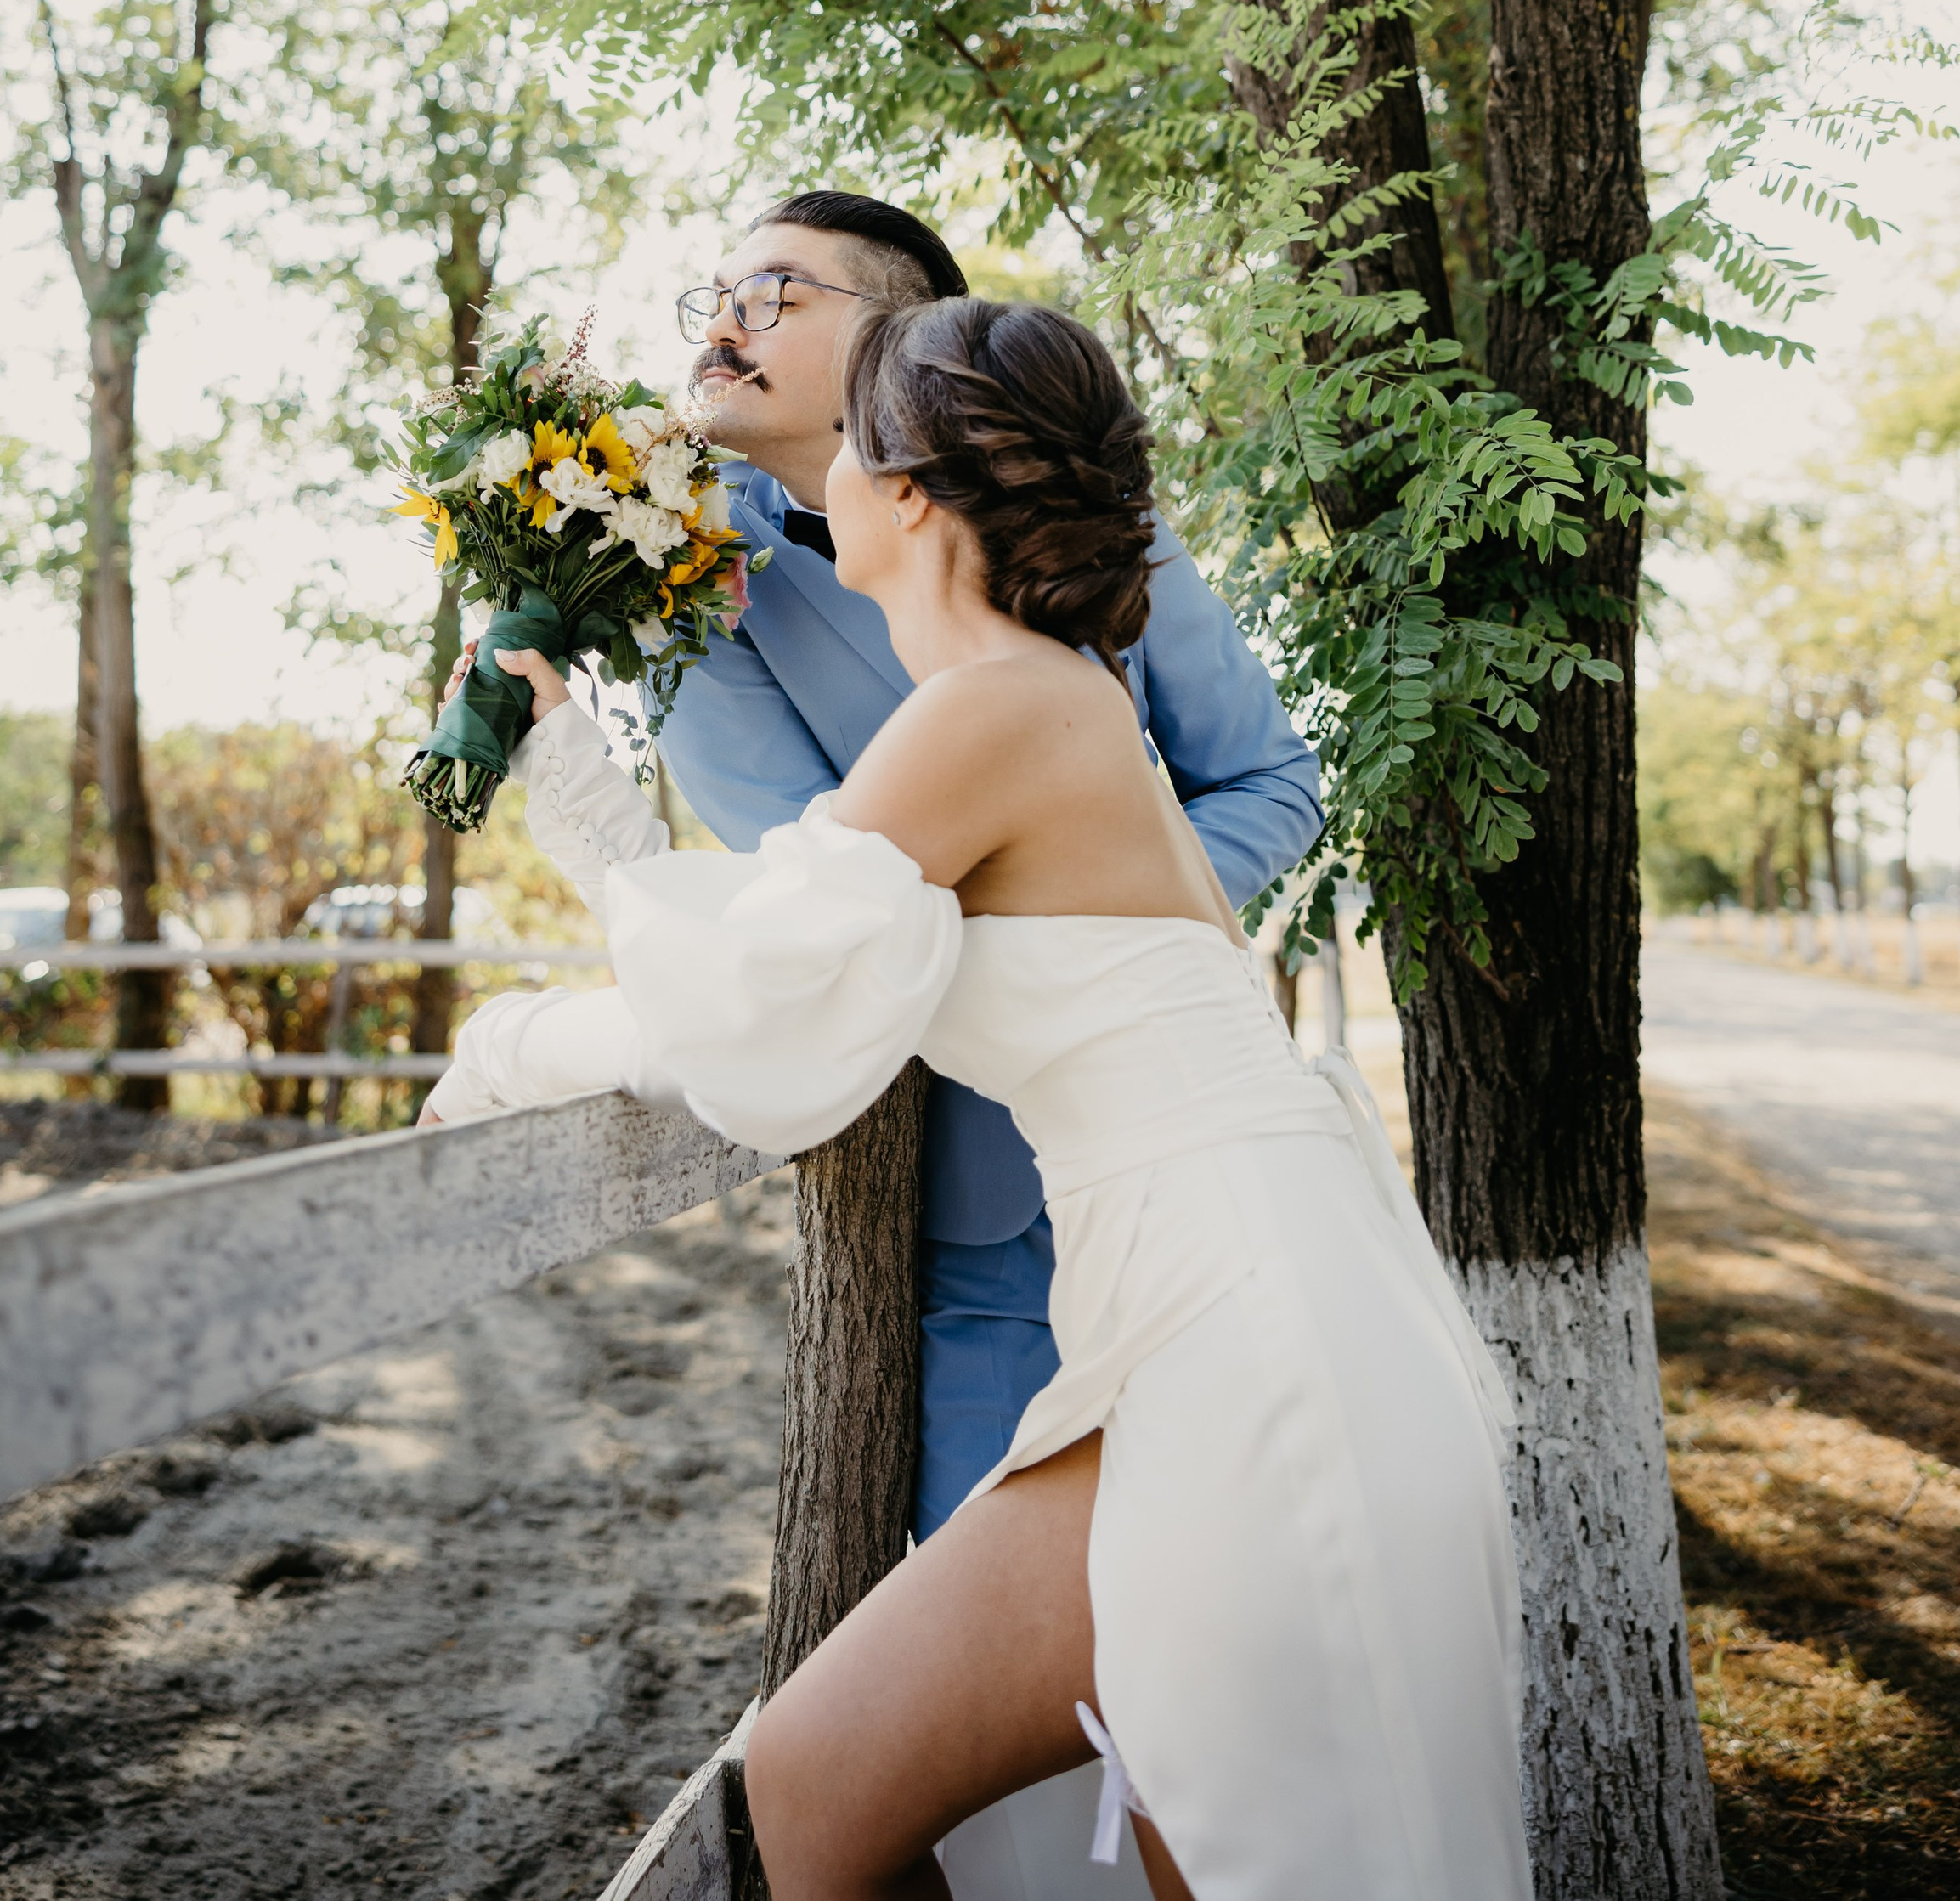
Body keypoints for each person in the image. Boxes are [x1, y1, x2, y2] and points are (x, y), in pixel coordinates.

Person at [422, 296, 1531, 1901]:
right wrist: (569, 770)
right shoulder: (1033, 707)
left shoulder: (1001, 707)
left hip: (1255, 1327)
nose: (816, 498)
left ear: (912, 496)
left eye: (852, 457)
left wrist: (505, 1047)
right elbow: (794, 967)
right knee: (817, 1779)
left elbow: (765, 1014)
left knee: (1243, 1854)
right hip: (1188, 1309)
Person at [658, 192, 1323, 1537]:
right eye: (714, 296)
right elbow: (803, 892)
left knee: (1243, 1524)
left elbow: (1269, 781)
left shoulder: (1079, 520)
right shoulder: (678, 570)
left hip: (1163, 1130)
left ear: (899, 338)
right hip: (945, 1170)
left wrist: (1079, 906)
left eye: (775, 293)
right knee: (995, 1572)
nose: (724, 325)